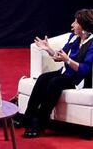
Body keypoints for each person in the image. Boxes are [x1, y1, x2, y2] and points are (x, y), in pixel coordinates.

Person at [23, 8, 93, 138]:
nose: (72, 25)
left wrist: (68, 60)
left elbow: (86, 69)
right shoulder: (74, 38)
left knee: (55, 83)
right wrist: (48, 49)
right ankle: (27, 118)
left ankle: (40, 123)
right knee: (43, 78)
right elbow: (58, 56)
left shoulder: (92, 43)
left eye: (75, 22)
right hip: (66, 73)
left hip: (80, 79)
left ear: (83, 26)